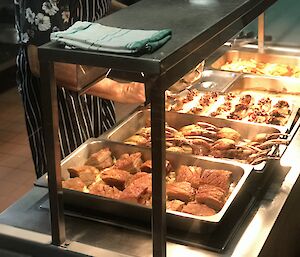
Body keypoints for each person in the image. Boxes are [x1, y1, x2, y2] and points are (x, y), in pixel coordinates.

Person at [14, 0, 145, 178]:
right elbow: (38, 60)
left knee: (105, 163)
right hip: (57, 87)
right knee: (71, 176)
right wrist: (122, 90)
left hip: (93, 67)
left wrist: (141, 16)